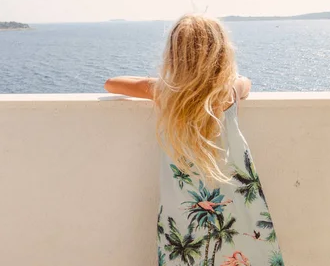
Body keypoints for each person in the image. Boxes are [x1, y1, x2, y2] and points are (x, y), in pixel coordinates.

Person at [105, 14, 284, 266]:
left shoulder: (165, 93)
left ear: (174, 55)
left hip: (182, 204)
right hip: (237, 198)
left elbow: (111, 84)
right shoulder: (230, 90)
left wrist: (163, 83)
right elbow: (247, 83)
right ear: (221, 53)